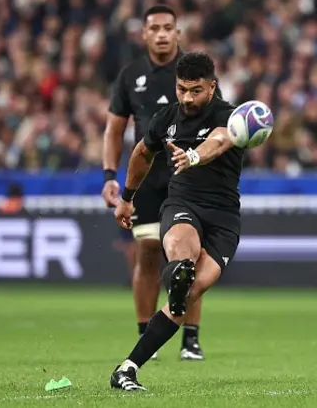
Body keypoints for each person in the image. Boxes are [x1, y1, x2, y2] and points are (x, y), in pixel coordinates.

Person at [109, 52, 243, 391]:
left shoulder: (230, 116)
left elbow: (220, 140)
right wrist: (127, 198)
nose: (187, 97)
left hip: (224, 218)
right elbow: (141, 153)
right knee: (183, 259)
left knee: (190, 292)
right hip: (183, 203)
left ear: (212, 86)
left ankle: (125, 367)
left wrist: (194, 155)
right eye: (182, 89)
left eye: (196, 90)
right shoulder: (165, 118)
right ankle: (128, 370)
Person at [102, 4, 209, 361]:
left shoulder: (195, 72)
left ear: (178, 32)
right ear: (144, 34)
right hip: (147, 178)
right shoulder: (130, 75)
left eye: (168, 27)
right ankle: (146, 331)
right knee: (147, 255)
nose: (162, 34)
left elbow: (219, 126)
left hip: (188, 175)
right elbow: (114, 129)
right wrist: (108, 176)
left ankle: (190, 338)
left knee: (189, 256)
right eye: (155, 28)